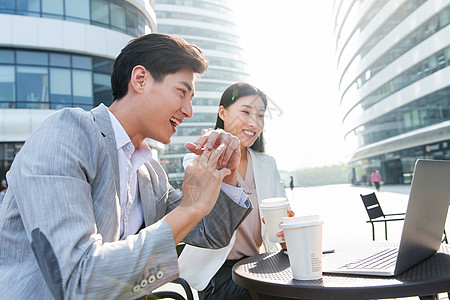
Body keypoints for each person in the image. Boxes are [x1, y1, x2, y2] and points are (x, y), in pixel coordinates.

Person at [0, 34, 253, 299]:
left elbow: (210, 234)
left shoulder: (150, 173)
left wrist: (227, 173)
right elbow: (77, 281)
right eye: (182, 92)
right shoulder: (70, 132)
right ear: (140, 79)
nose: (188, 110)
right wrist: (190, 207)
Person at [178, 82, 293, 300]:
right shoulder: (201, 159)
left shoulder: (266, 164)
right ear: (223, 112)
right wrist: (217, 154)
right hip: (218, 274)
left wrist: (287, 231)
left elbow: (282, 215)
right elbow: (204, 216)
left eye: (260, 115)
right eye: (246, 112)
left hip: (258, 265)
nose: (254, 122)